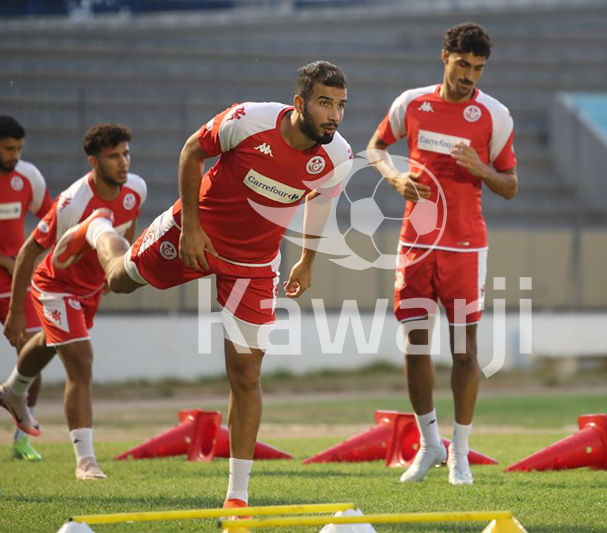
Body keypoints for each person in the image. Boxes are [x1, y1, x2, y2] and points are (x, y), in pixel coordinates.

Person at [45, 61, 351, 508]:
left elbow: (321, 202)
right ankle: (96, 229)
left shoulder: (338, 155)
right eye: (325, 103)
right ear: (300, 103)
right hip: (194, 235)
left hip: (254, 265)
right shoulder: (248, 120)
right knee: (118, 281)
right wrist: (189, 226)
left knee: (246, 375)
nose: (335, 116)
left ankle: (237, 497)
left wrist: (305, 260)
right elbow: (192, 150)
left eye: (341, 106)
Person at [366, 22, 517, 486]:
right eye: (463, 64)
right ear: (445, 57)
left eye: (479, 68)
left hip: (466, 247)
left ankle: (461, 454)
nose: (471, 75)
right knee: (414, 349)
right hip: (415, 243)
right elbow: (375, 148)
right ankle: (431, 445)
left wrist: (482, 170)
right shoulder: (411, 103)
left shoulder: (495, 115)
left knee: (465, 352)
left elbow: (510, 186)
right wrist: (392, 177)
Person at [0, 124, 146, 480]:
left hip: (90, 288)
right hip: (55, 287)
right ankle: (85, 461)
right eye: (113, 156)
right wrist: (17, 312)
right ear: (93, 161)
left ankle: (12, 391)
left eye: (125, 154)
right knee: (81, 362)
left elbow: (130, 225)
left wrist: (117, 270)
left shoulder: (136, 187)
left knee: (52, 340)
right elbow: (30, 251)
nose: (123, 163)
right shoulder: (73, 203)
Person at [0, 115, 52, 462]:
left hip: (18, 286)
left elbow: (50, 220)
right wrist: (1, 260)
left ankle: (22, 440)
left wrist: (30, 259)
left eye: (19, 149)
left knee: (33, 356)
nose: (14, 155)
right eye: (8, 148)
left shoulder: (29, 177)